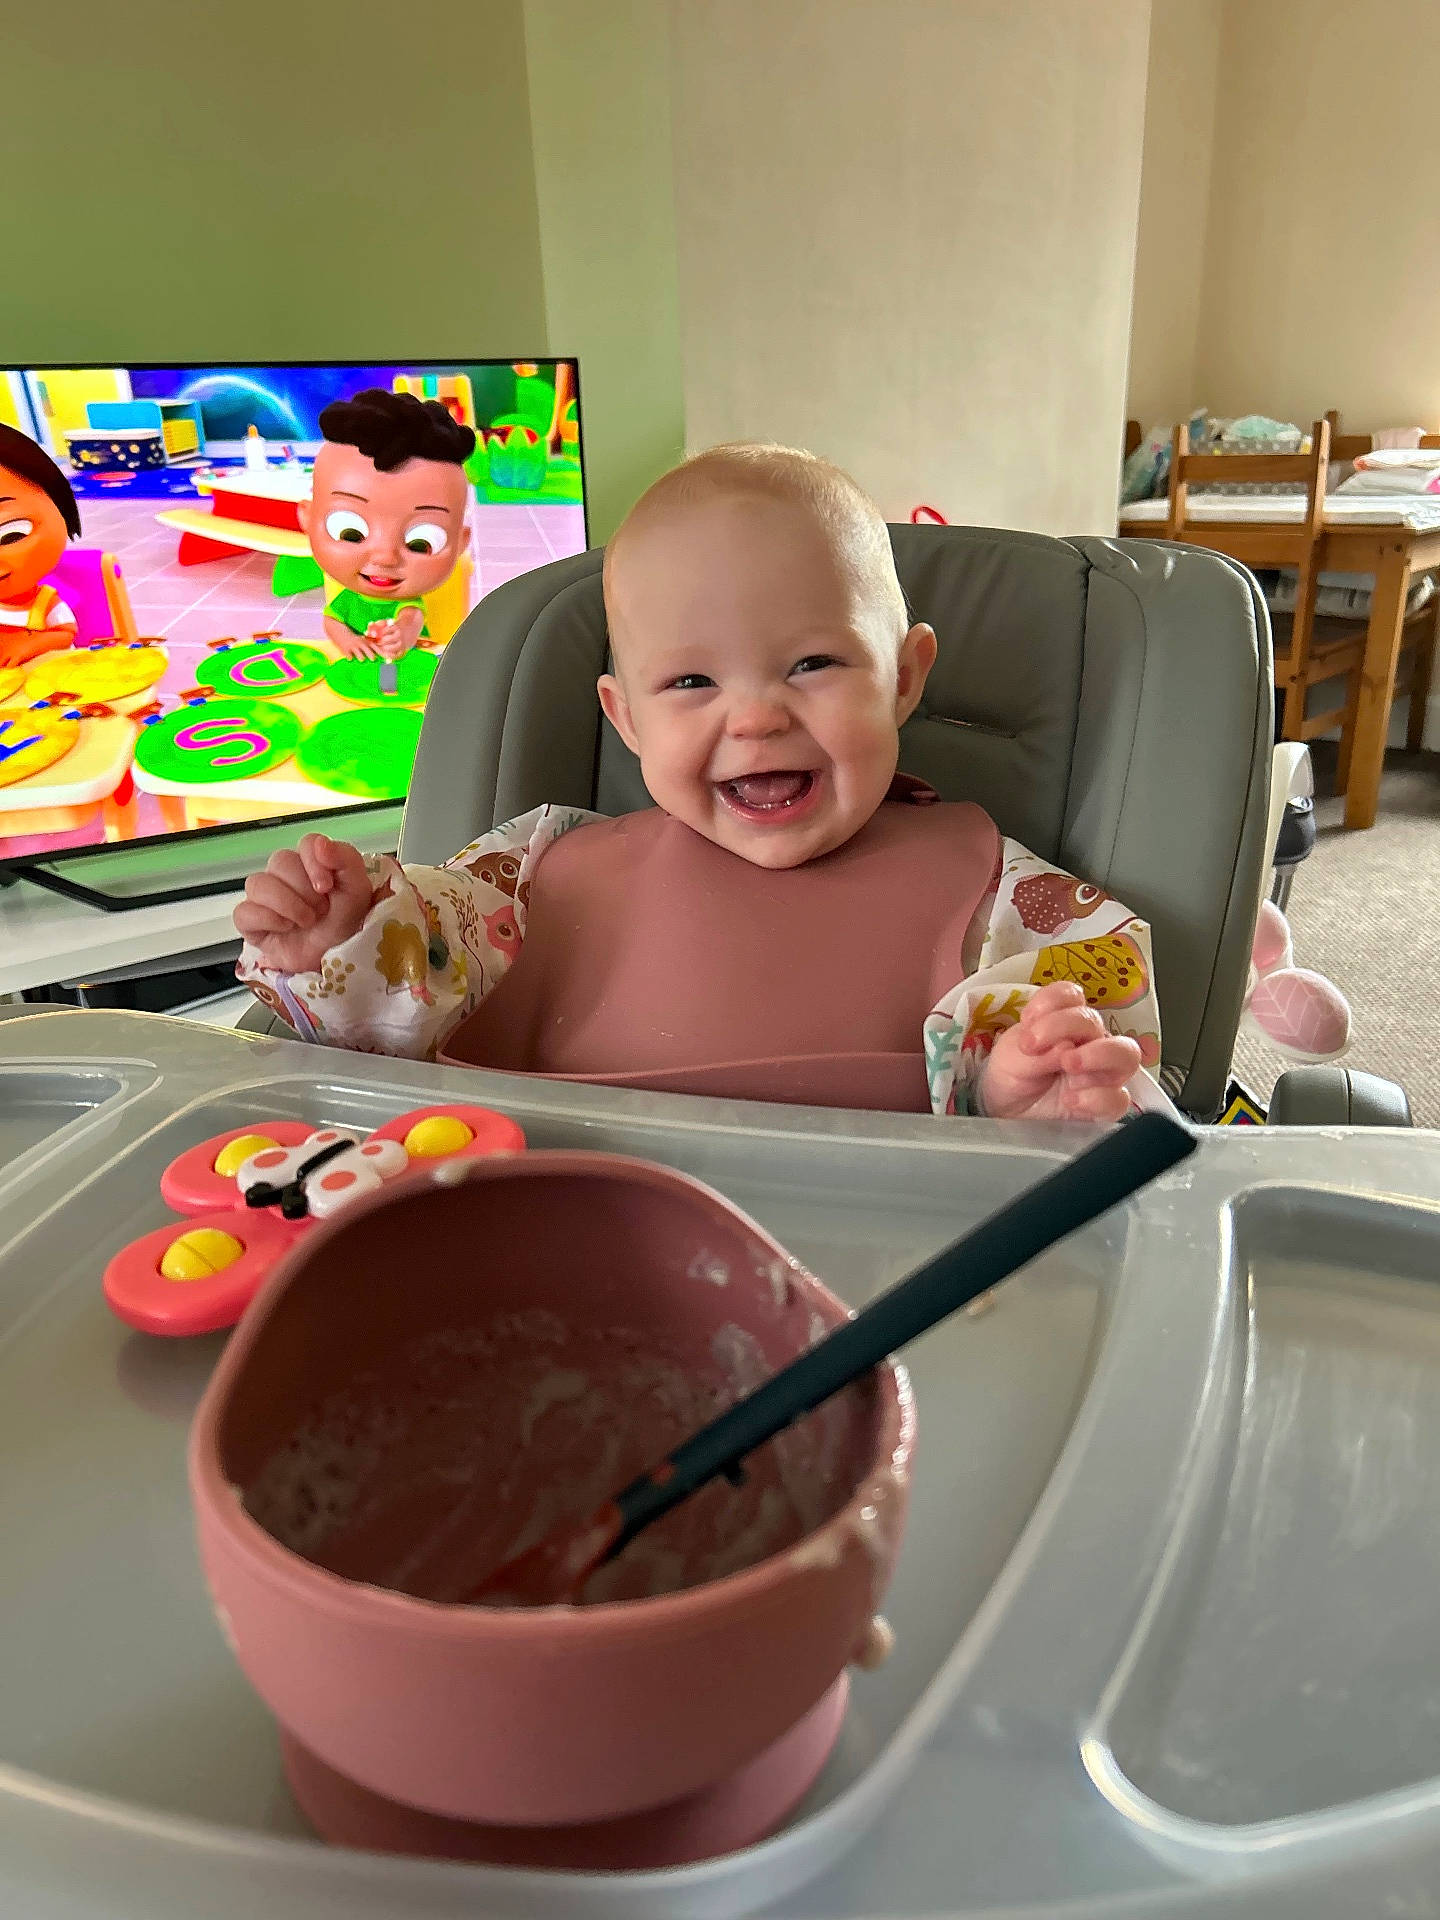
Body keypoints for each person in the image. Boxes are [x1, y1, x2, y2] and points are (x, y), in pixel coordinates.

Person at [236, 444, 1165, 1123]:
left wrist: (1023, 1093)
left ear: (905, 677)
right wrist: (340, 943)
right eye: (690, 683)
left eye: (812, 664)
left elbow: (1093, 1050)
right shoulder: (531, 874)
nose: (755, 718)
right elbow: (393, 1029)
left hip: (875, 1271)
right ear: (625, 717)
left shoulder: (1016, 899)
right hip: (548, 1226)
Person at [299, 389, 474, 662]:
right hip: (357, 671)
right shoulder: (348, 601)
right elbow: (332, 622)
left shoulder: (408, 605)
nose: (385, 557)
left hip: (410, 672)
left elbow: (410, 620)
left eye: (421, 543)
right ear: (307, 519)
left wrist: (401, 636)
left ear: (460, 542)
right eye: (351, 533)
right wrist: (349, 642)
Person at [0, 423, 80, 670]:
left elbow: (66, 633)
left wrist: (28, 645)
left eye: (11, 534)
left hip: (52, 678)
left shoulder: (44, 602)